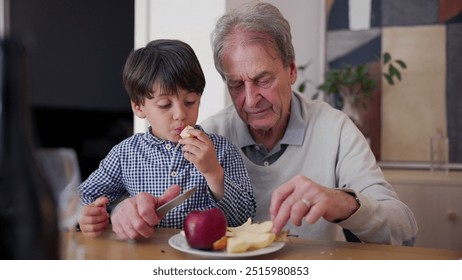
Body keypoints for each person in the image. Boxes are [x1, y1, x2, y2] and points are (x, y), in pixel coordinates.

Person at [80, 2, 418, 246]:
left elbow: (403, 229)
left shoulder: (335, 129)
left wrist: (342, 202)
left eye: (263, 79)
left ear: (291, 70)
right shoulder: (207, 135)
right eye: (236, 84)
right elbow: (112, 193)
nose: (251, 98)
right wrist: (118, 207)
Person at [78, 39, 256, 240]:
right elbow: (84, 196)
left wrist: (213, 172)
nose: (180, 114)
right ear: (138, 107)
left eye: (190, 102)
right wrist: (89, 215)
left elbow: (245, 218)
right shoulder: (125, 154)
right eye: (164, 105)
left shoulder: (221, 149)